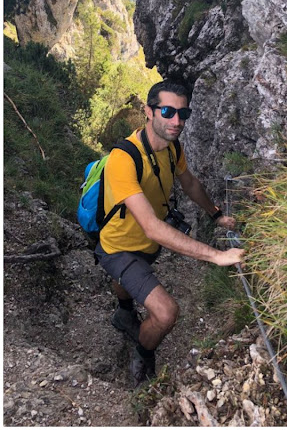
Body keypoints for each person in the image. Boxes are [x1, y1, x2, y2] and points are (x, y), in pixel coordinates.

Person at [94, 80, 244, 386]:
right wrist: (216, 256)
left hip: (146, 246)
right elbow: (151, 226)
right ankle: (142, 354)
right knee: (165, 313)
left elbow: (188, 183)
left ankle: (123, 313)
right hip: (118, 247)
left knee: (131, 279)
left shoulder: (172, 148)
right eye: (167, 111)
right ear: (149, 112)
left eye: (183, 113)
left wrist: (216, 215)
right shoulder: (123, 159)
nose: (177, 121)